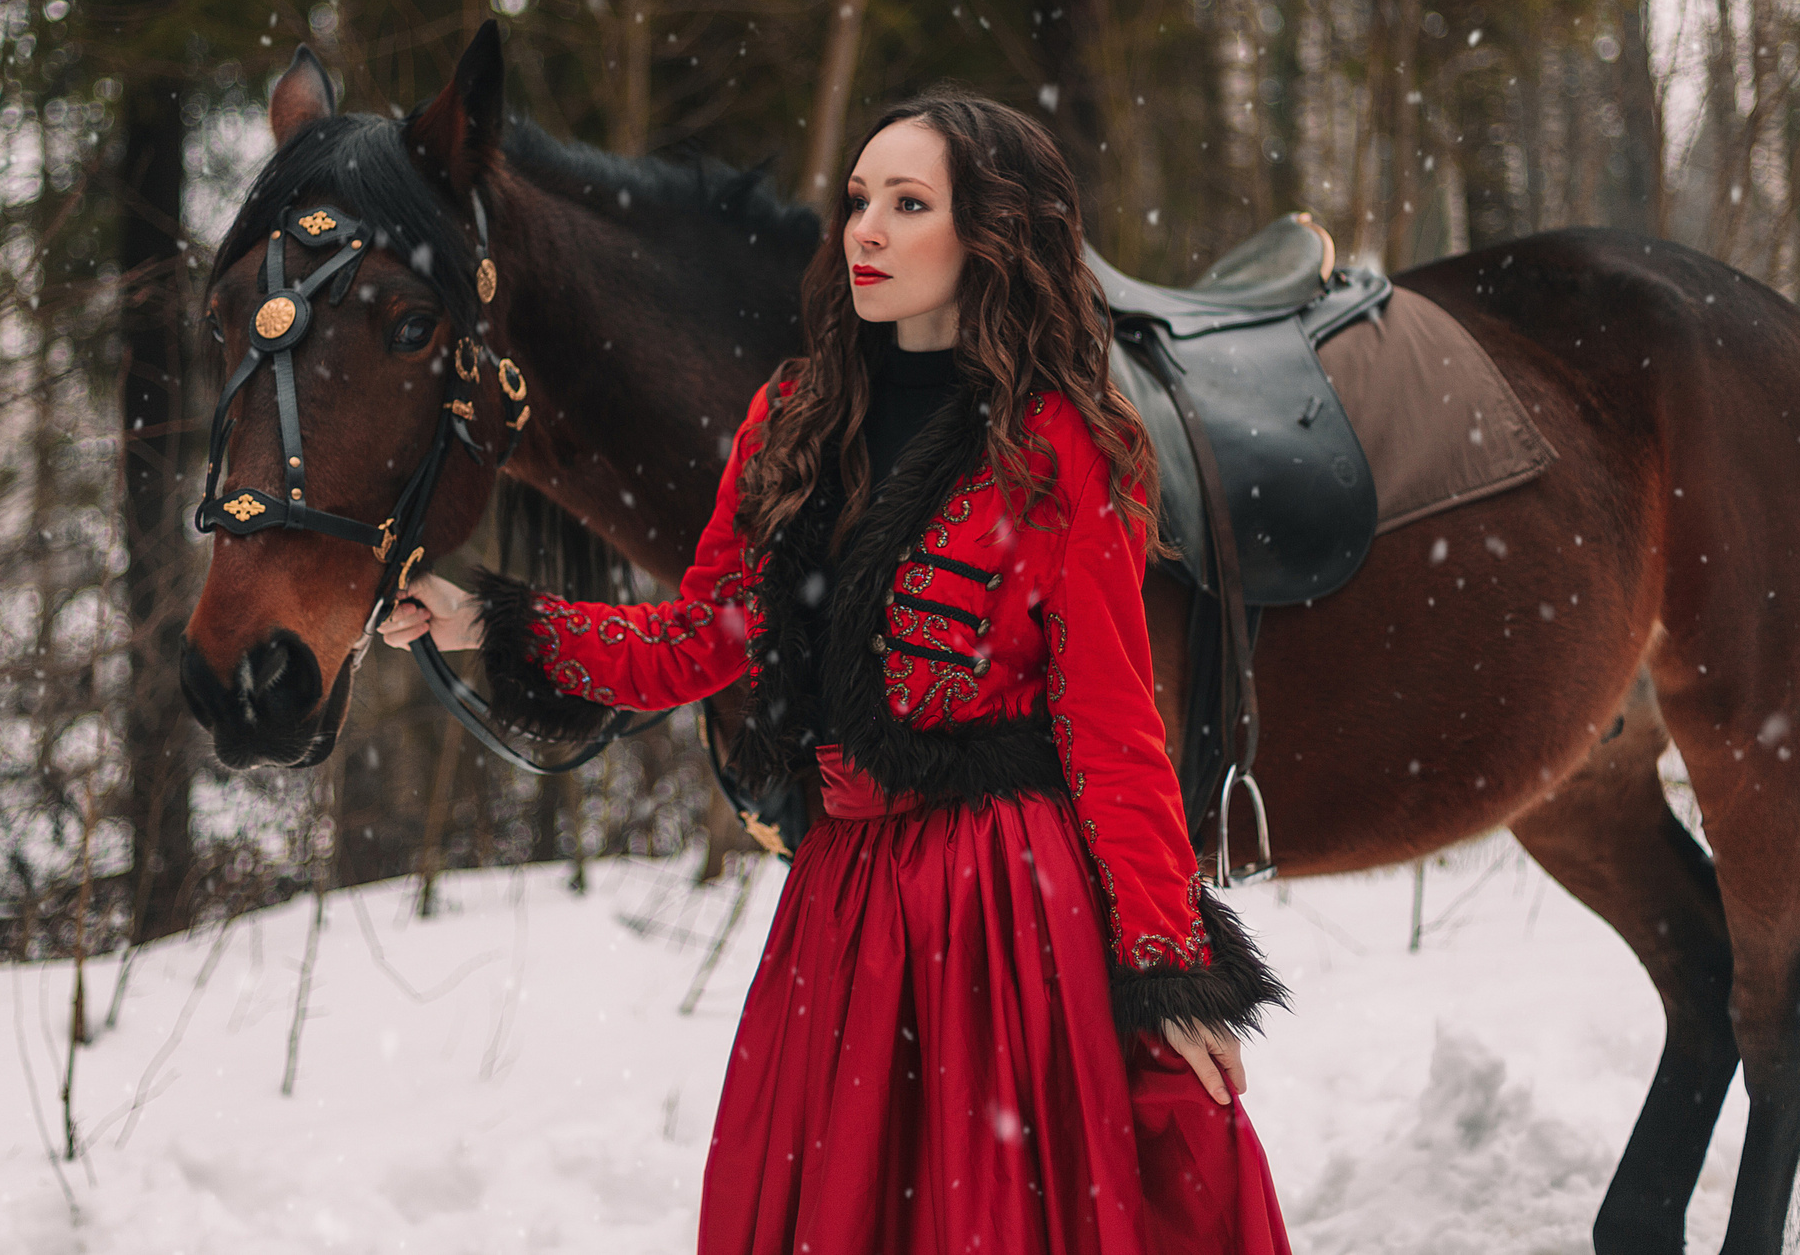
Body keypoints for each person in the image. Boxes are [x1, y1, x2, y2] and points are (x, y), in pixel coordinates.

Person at [380, 90, 1292, 1254]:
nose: (864, 229)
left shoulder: (1065, 438)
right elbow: (703, 640)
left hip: (1003, 907)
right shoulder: (791, 417)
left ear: (988, 235)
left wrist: (1168, 969)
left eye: (908, 205)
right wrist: (489, 623)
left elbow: (1112, 727)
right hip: (842, 903)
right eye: (859, 199)